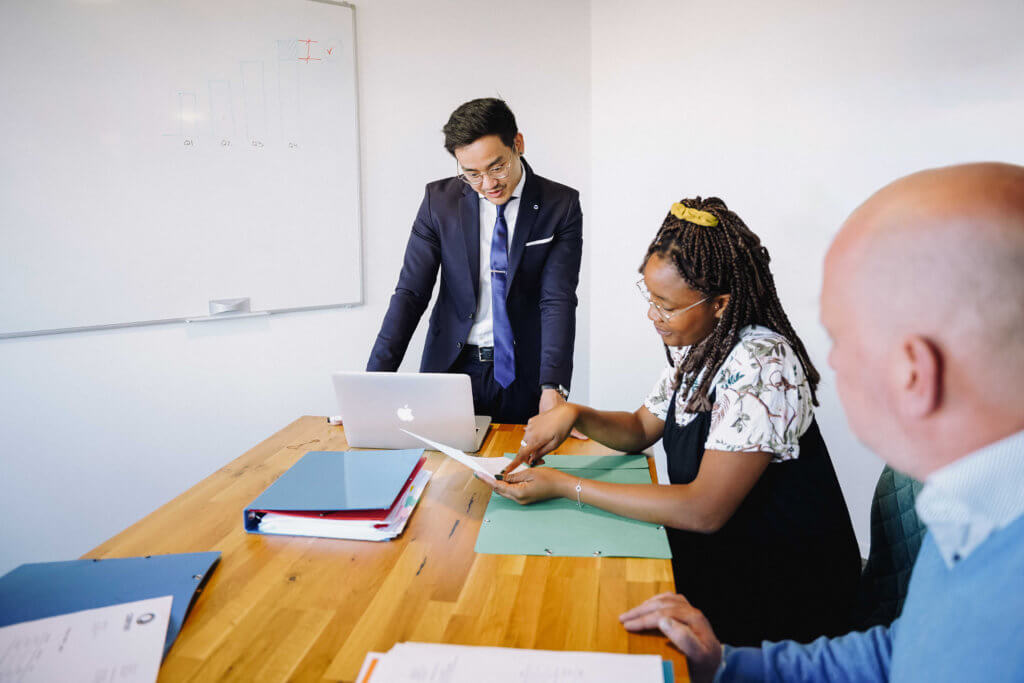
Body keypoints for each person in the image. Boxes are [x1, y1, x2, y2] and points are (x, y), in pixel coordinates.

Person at [619, 163, 1024, 682]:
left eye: (841, 340)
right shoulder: (965, 504)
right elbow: (898, 653)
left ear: (913, 371)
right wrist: (725, 665)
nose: (827, 364)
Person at [487, 197, 861, 646]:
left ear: (720, 303)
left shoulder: (763, 364)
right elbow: (642, 428)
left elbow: (704, 510)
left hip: (782, 592)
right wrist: (575, 413)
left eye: (665, 305)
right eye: (650, 297)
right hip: (726, 558)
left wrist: (567, 486)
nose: (652, 315)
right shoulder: (703, 344)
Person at [366, 98, 583, 424]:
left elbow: (558, 300)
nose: (488, 184)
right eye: (471, 173)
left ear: (518, 144)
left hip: (524, 374)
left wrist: (553, 388)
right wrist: (372, 385)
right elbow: (410, 294)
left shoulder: (560, 205)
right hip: (450, 370)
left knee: (521, 470)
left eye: (497, 167)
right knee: (442, 472)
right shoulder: (439, 203)